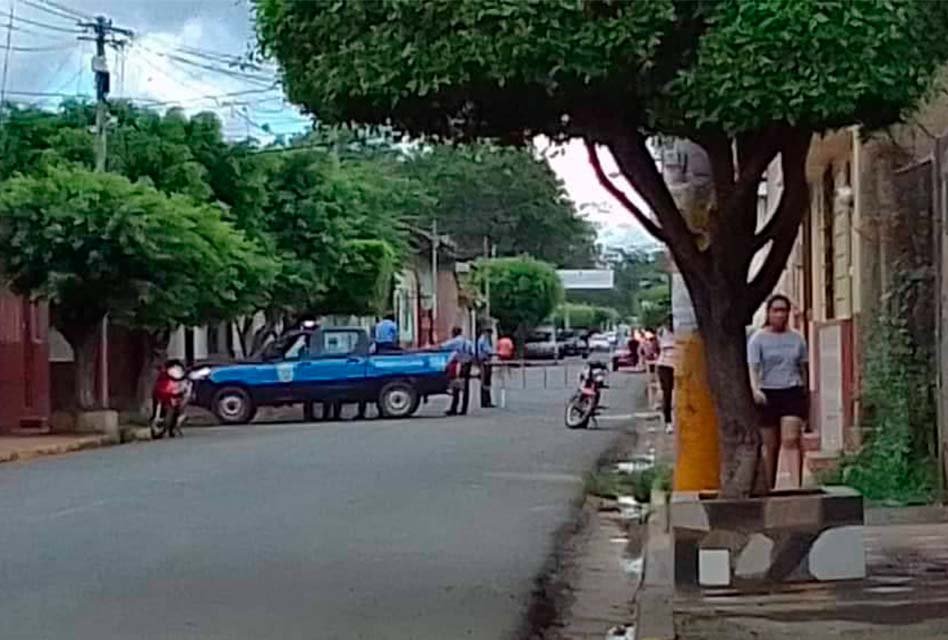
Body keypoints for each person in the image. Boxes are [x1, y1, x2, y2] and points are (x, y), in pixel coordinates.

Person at [748, 294, 808, 490]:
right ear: (769, 313)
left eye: (784, 310)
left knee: (790, 439)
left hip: (791, 390)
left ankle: (795, 486)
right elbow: (753, 368)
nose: (780, 315)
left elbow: (803, 368)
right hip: (768, 394)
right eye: (776, 310)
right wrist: (756, 389)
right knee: (770, 446)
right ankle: (769, 487)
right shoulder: (758, 339)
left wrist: (805, 394)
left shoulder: (797, 338)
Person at [442, 326, 474, 415]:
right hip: (467, 364)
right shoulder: (468, 342)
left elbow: (444, 346)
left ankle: (454, 408)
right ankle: (464, 409)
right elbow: (473, 353)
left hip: (459, 365)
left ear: (454, 333)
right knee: (465, 387)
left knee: (456, 386)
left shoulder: (455, 341)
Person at [656, 320, 677, 434]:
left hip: (679, 365)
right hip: (665, 365)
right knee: (667, 393)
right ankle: (668, 422)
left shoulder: (681, 331)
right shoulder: (662, 332)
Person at [476, 328, 495, 408]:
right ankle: (485, 401)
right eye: (490, 334)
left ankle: (486, 400)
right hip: (485, 362)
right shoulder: (484, 340)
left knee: (486, 382)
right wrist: (494, 353)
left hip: (484, 362)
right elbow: (487, 350)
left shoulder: (482, 339)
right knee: (485, 381)